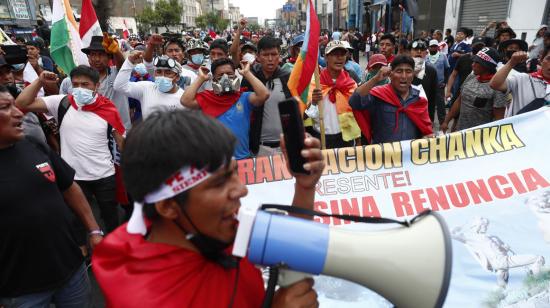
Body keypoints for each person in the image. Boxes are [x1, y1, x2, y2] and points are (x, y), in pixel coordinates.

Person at [92, 110, 323, 307]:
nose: (241, 190)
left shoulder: (212, 226)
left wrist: (304, 186)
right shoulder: (148, 298)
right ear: (168, 206)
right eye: (220, 182)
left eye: (234, 172)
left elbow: (293, 246)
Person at [0, 84, 103, 308]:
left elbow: (69, 187)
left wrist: (94, 230)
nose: (19, 113)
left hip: (71, 271)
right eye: (6, 107)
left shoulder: (33, 144)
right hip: (20, 290)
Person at [16, 67, 126, 241]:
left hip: (104, 175)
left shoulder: (108, 109)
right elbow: (21, 103)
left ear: (96, 86)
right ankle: (82, 256)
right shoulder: (61, 102)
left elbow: (121, 143)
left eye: (85, 84)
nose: (80, 89)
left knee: (110, 216)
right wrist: (39, 81)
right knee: (76, 220)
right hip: (73, 178)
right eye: (75, 84)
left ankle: (113, 250)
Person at [181, 59, 269, 159]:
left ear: (236, 75)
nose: (225, 77)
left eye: (229, 73)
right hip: (215, 162)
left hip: (242, 158)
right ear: (213, 79)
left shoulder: (244, 97)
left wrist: (247, 73)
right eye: (220, 75)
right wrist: (200, 78)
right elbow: (185, 101)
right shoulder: (207, 98)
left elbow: (264, 94)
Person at [350, 55, 433, 144]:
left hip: (409, 156)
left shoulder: (419, 99)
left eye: (408, 71)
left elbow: (426, 130)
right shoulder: (379, 94)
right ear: (391, 74)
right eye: (399, 71)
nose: (404, 76)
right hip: (383, 155)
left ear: (413, 75)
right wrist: (375, 79)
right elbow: (354, 102)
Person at [59, 35, 131, 130]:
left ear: (109, 57)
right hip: (88, 133)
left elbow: (123, 66)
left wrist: (116, 51)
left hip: (119, 131)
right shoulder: (69, 81)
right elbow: (63, 106)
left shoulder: (117, 74)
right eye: (93, 54)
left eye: (101, 54)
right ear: (88, 57)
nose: (97, 59)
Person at [452, 217, 544, 288]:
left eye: (486, 225)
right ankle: (536, 281)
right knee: (538, 258)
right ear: (477, 226)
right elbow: (452, 235)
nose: (486, 227)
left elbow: (499, 249)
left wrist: (504, 248)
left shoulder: (491, 237)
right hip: (501, 261)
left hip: (501, 260)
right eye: (483, 225)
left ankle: (497, 297)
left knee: (502, 282)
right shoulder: (471, 237)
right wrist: (459, 227)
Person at [305, 40, 361, 149]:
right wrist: (314, 102)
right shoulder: (315, 82)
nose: (339, 58)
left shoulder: (351, 83)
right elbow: (305, 116)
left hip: (346, 138)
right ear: (326, 57)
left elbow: (356, 114)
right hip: (320, 138)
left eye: (342, 55)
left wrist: (358, 140)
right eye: (335, 55)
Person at [242, 36, 292, 157]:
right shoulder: (250, 78)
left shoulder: (287, 78)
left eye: (274, 54)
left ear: (279, 56)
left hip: (285, 147)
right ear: (258, 57)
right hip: (258, 148)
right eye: (265, 55)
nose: (270, 59)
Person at [440, 47, 506, 132]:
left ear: (487, 65)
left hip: (479, 137)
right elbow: (459, 100)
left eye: (477, 62)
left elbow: (499, 119)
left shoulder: (497, 87)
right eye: (473, 61)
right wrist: (446, 121)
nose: (472, 64)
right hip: (460, 131)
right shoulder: (471, 76)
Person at [114, 53, 185, 119]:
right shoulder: (146, 88)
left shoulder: (184, 98)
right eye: (159, 72)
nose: (162, 76)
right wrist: (129, 62)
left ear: (177, 77)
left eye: (168, 73)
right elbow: (119, 86)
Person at [490, 47, 550, 117]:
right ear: (541, 60)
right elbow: (495, 84)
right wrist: (511, 63)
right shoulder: (522, 78)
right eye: (549, 59)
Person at [409, 40, 438, 124]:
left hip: (423, 114)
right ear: (410, 51)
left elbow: (432, 97)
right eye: (415, 49)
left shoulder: (431, 71)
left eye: (422, 50)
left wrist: (430, 119)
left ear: (426, 52)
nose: (419, 52)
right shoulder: (403, 68)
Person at [427, 39, 450, 124]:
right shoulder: (426, 57)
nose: (433, 48)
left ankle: (442, 122)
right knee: (429, 105)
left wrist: (445, 82)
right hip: (428, 86)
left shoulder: (443, 56)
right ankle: (430, 122)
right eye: (431, 46)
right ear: (429, 47)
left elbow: (447, 69)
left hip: (439, 85)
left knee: (440, 105)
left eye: (434, 46)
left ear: (437, 47)